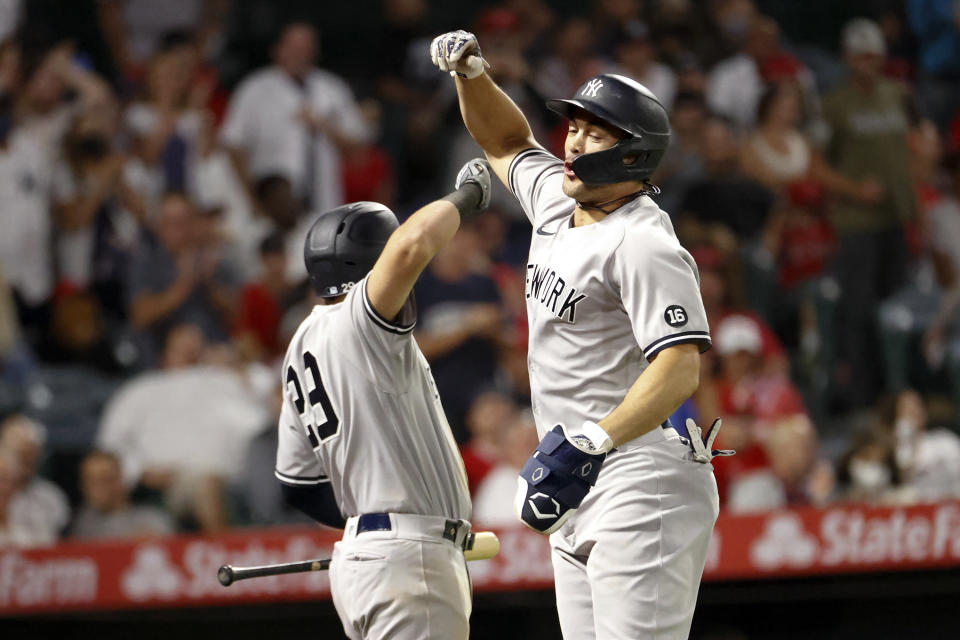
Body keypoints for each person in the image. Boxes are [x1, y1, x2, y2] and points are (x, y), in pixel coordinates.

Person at [432, 30, 727, 639]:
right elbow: (508, 140)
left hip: (638, 477)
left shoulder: (644, 243)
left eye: (594, 131)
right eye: (572, 125)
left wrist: (592, 442)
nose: (572, 140)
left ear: (632, 154)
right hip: (576, 472)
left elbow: (679, 368)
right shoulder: (557, 199)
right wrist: (472, 76)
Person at [274, 158, 494, 639]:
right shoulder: (362, 320)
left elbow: (296, 484)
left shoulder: (299, 345)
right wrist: (466, 197)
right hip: (409, 561)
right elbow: (413, 245)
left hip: (364, 563)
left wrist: (368, 525)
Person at [220, 22, 368, 214]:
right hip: (271, 207)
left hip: (324, 206)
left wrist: (325, 126)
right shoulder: (254, 89)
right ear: (278, 49)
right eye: (294, 47)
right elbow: (233, 146)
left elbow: (358, 151)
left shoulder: (332, 88)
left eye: (306, 47)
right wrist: (252, 199)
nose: (300, 54)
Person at [71, 449, 175, 539]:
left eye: (103, 479)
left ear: (120, 480)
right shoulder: (80, 525)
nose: (96, 489)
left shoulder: (151, 519)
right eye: (90, 481)